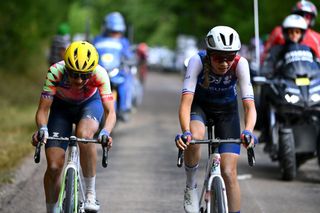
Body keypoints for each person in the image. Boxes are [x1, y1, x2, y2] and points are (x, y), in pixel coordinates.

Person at [175, 26, 257, 213]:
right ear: (209, 54)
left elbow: (249, 107)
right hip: (200, 107)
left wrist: (249, 131)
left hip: (227, 112)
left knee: (229, 173)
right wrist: (185, 131)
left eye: (230, 57)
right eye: (219, 57)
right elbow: (186, 104)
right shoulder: (197, 60)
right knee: (195, 136)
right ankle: (190, 186)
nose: (225, 63)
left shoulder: (240, 63)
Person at [32, 41, 116, 213]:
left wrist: (106, 132)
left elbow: (110, 112)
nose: (79, 80)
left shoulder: (100, 73)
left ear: (91, 71)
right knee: (54, 166)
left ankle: (91, 193)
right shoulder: (56, 71)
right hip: (61, 109)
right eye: (74, 74)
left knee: (84, 135)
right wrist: (42, 128)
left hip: (89, 105)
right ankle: (52, 209)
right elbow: (43, 110)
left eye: (84, 75)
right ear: (66, 68)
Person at [259, 15, 318, 150]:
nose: (293, 35)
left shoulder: (309, 50)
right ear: (285, 33)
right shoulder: (277, 50)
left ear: (302, 34)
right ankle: (265, 130)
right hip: (285, 86)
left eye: (297, 32)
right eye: (291, 32)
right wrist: (265, 74)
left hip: (306, 88)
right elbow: (268, 64)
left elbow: (316, 66)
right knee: (265, 88)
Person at [93, 11, 135, 122]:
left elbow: (129, 55)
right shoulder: (97, 40)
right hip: (101, 71)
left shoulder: (124, 42)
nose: (115, 34)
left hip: (117, 71)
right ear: (107, 29)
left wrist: (131, 60)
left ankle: (124, 107)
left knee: (127, 80)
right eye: (113, 32)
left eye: (118, 32)